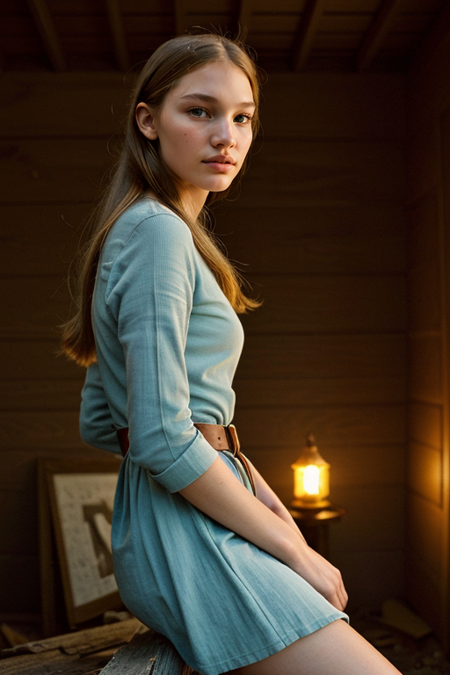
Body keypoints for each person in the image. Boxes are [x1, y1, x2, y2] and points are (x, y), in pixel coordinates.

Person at [62, 31, 401, 675]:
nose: (228, 136)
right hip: (184, 532)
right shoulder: (156, 232)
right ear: (148, 121)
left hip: (190, 512)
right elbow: (160, 436)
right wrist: (295, 551)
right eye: (200, 111)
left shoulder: (164, 232)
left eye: (242, 117)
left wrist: (271, 507)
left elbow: (110, 422)